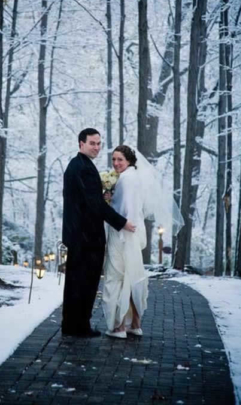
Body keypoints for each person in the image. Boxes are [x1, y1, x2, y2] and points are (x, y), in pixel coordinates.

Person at [103, 145, 184, 339]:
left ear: (130, 160)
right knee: (133, 276)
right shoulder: (136, 177)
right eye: (113, 159)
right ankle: (135, 323)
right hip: (134, 231)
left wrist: (109, 204)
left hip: (122, 233)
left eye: (120, 159)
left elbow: (125, 208)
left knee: (116, 278)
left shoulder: (125, 179)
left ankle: (119, 326)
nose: (115, 163)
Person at [61, 129, 136, 338]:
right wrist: (122, 223)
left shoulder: (81, 166)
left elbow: (89, 200)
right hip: (85, 237)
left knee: (78, 282)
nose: (96, 147)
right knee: (84, 282)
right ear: (81, 144)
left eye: (99, 143)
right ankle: (78, 327)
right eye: (92, 143)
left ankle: (72, 325)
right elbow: (94, 205)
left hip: (80, 235)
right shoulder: (81, 168)